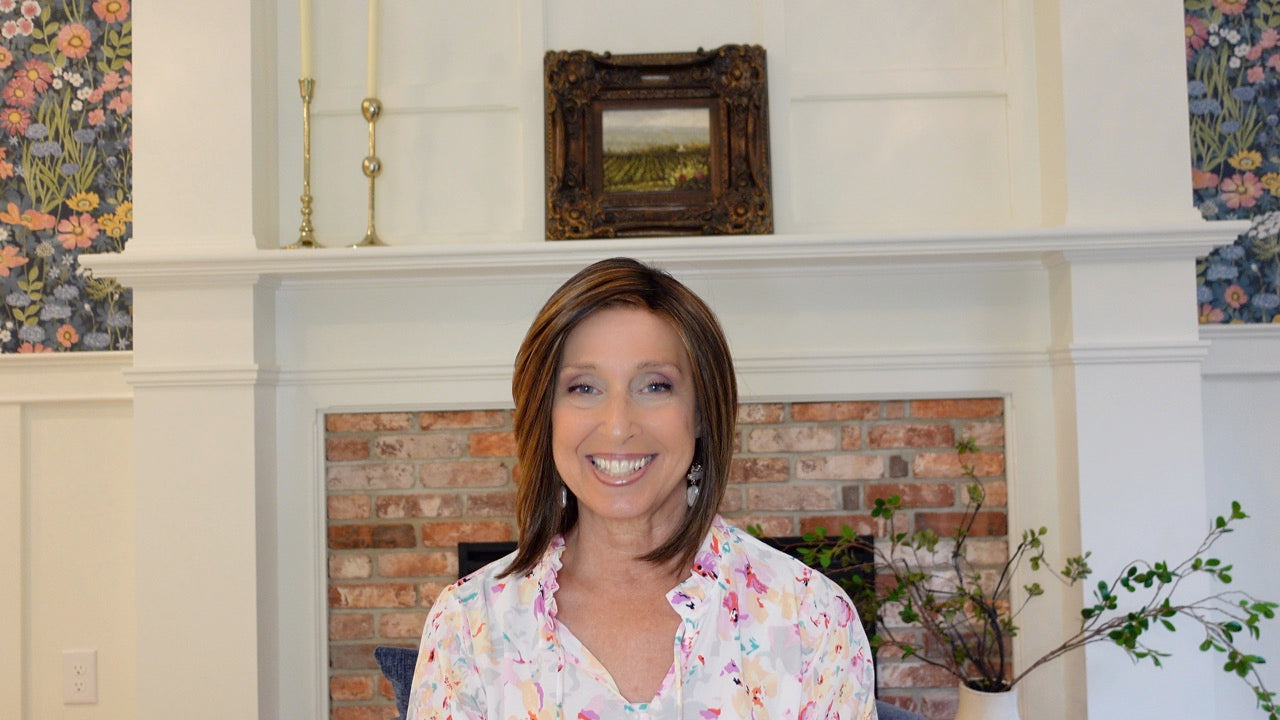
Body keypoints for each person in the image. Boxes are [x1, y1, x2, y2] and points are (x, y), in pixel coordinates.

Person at [407, 257, 877, 720]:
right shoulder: (467, 627)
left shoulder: (811, 618)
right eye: (583, 388)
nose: (618, 426)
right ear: (545, 415)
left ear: (701, 412)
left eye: (654, 386)